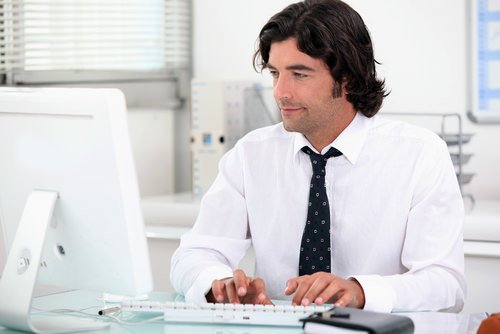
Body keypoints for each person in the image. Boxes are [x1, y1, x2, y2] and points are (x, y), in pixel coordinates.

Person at [171, 0, 465, 313]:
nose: (280, 92)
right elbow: (194, 254)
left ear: (347, 78)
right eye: (275, 73)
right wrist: (218, 285)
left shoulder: (419, 154)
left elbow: (445, 283)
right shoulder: (251, 155)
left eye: (300, 74)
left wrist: (360, 292)